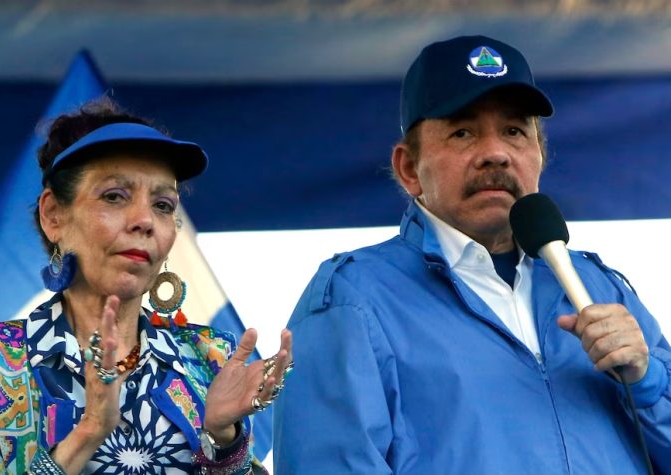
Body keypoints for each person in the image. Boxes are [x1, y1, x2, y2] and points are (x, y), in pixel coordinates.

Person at [273, 35, 671, 474]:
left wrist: (647, 382)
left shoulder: (599, 287)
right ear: (409, 168)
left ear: (539, 156)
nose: (495, 154)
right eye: (462, 132)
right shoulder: (353, 297)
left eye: (514, 131)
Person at [0, 98, 292, 475]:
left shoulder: (211, 357)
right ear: (53, 215)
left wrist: (224, 440)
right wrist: (89, 431)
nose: (144, 220)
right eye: (114, 196)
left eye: (163, 205)